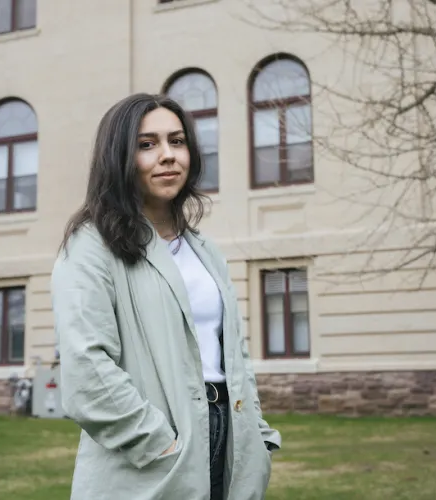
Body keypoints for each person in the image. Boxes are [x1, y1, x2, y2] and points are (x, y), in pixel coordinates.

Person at [51, 93, 281, 500]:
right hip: (154, 453)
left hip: (229, 438)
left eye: (177, 141)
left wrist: (257, 437)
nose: (168, 155)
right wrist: (158, 443)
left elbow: (235, 355)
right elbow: (87, 369)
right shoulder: (90, 246)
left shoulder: (205, 250)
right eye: (147, 144)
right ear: (119, 157)